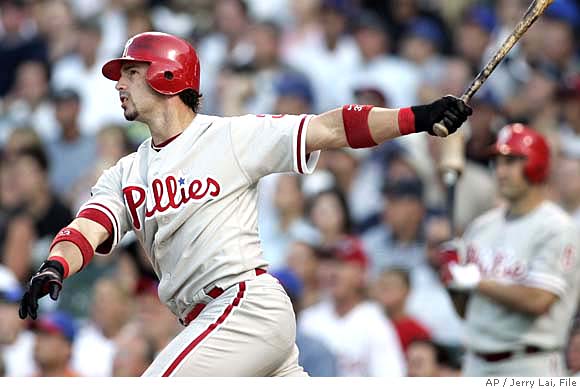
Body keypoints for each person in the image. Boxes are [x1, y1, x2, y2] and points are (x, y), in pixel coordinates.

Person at [17, 31, 471, 376]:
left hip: (241, 305)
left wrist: (419, 117)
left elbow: (331, 128)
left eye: (131, 72)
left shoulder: (230, 136)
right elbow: (89, 226)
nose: (120, 83)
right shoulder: (124, 172)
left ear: (167, 75)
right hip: (209, 321)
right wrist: (56, 265)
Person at [440, 124, 580, 376]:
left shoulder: (558, 227)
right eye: (498, 162)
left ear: (536, 165)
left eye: (511, 161)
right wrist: (452, 278)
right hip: (475, 362)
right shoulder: (481, 226)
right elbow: (464, 311)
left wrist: (476, 281)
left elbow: (538, 301)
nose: (501, 172)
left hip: (528, 363)